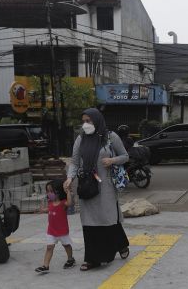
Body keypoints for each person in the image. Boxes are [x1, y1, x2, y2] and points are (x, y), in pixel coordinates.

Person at [64, 108, 130, 271]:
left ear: (97, 120)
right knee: (89, 221)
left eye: (89, 121)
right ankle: (92, 259)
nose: (85, 124)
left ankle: (119, 245)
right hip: (87, 185)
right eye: (84, 121)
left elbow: (125, 156)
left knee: (108, 220)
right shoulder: (81, 138)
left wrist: (113, 160)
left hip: (106, 186)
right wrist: (70, 177)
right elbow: (74, 161)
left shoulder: (110, 137)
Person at [35, 180, 75, 273]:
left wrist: (68, 191)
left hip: (62, 231)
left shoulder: (63, 203)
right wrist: (42, 210)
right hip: (51, 231)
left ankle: (70, 259)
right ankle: (45, 266)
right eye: (48, 191)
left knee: (66, 245)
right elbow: (49, 209)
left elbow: (70, 203)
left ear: (58, 191)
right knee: (49, 247)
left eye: (51, 191)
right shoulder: (50, 202)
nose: (49, 193)